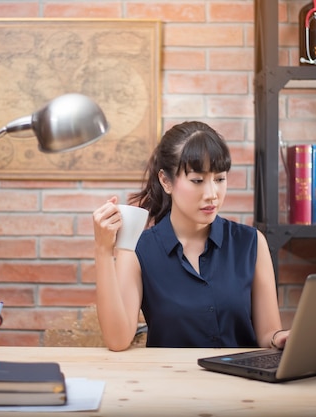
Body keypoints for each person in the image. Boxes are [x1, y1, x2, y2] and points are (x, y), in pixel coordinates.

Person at [92, 121, 289, 351]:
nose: (212, 194)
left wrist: (281, 338)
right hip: (172, 383)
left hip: (241, 384)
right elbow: (117, 340)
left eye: (220, 179)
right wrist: (103, 250)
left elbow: (267, 334)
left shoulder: (251, 244)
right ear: (166, 181)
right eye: (197, 180)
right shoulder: (139, 250)